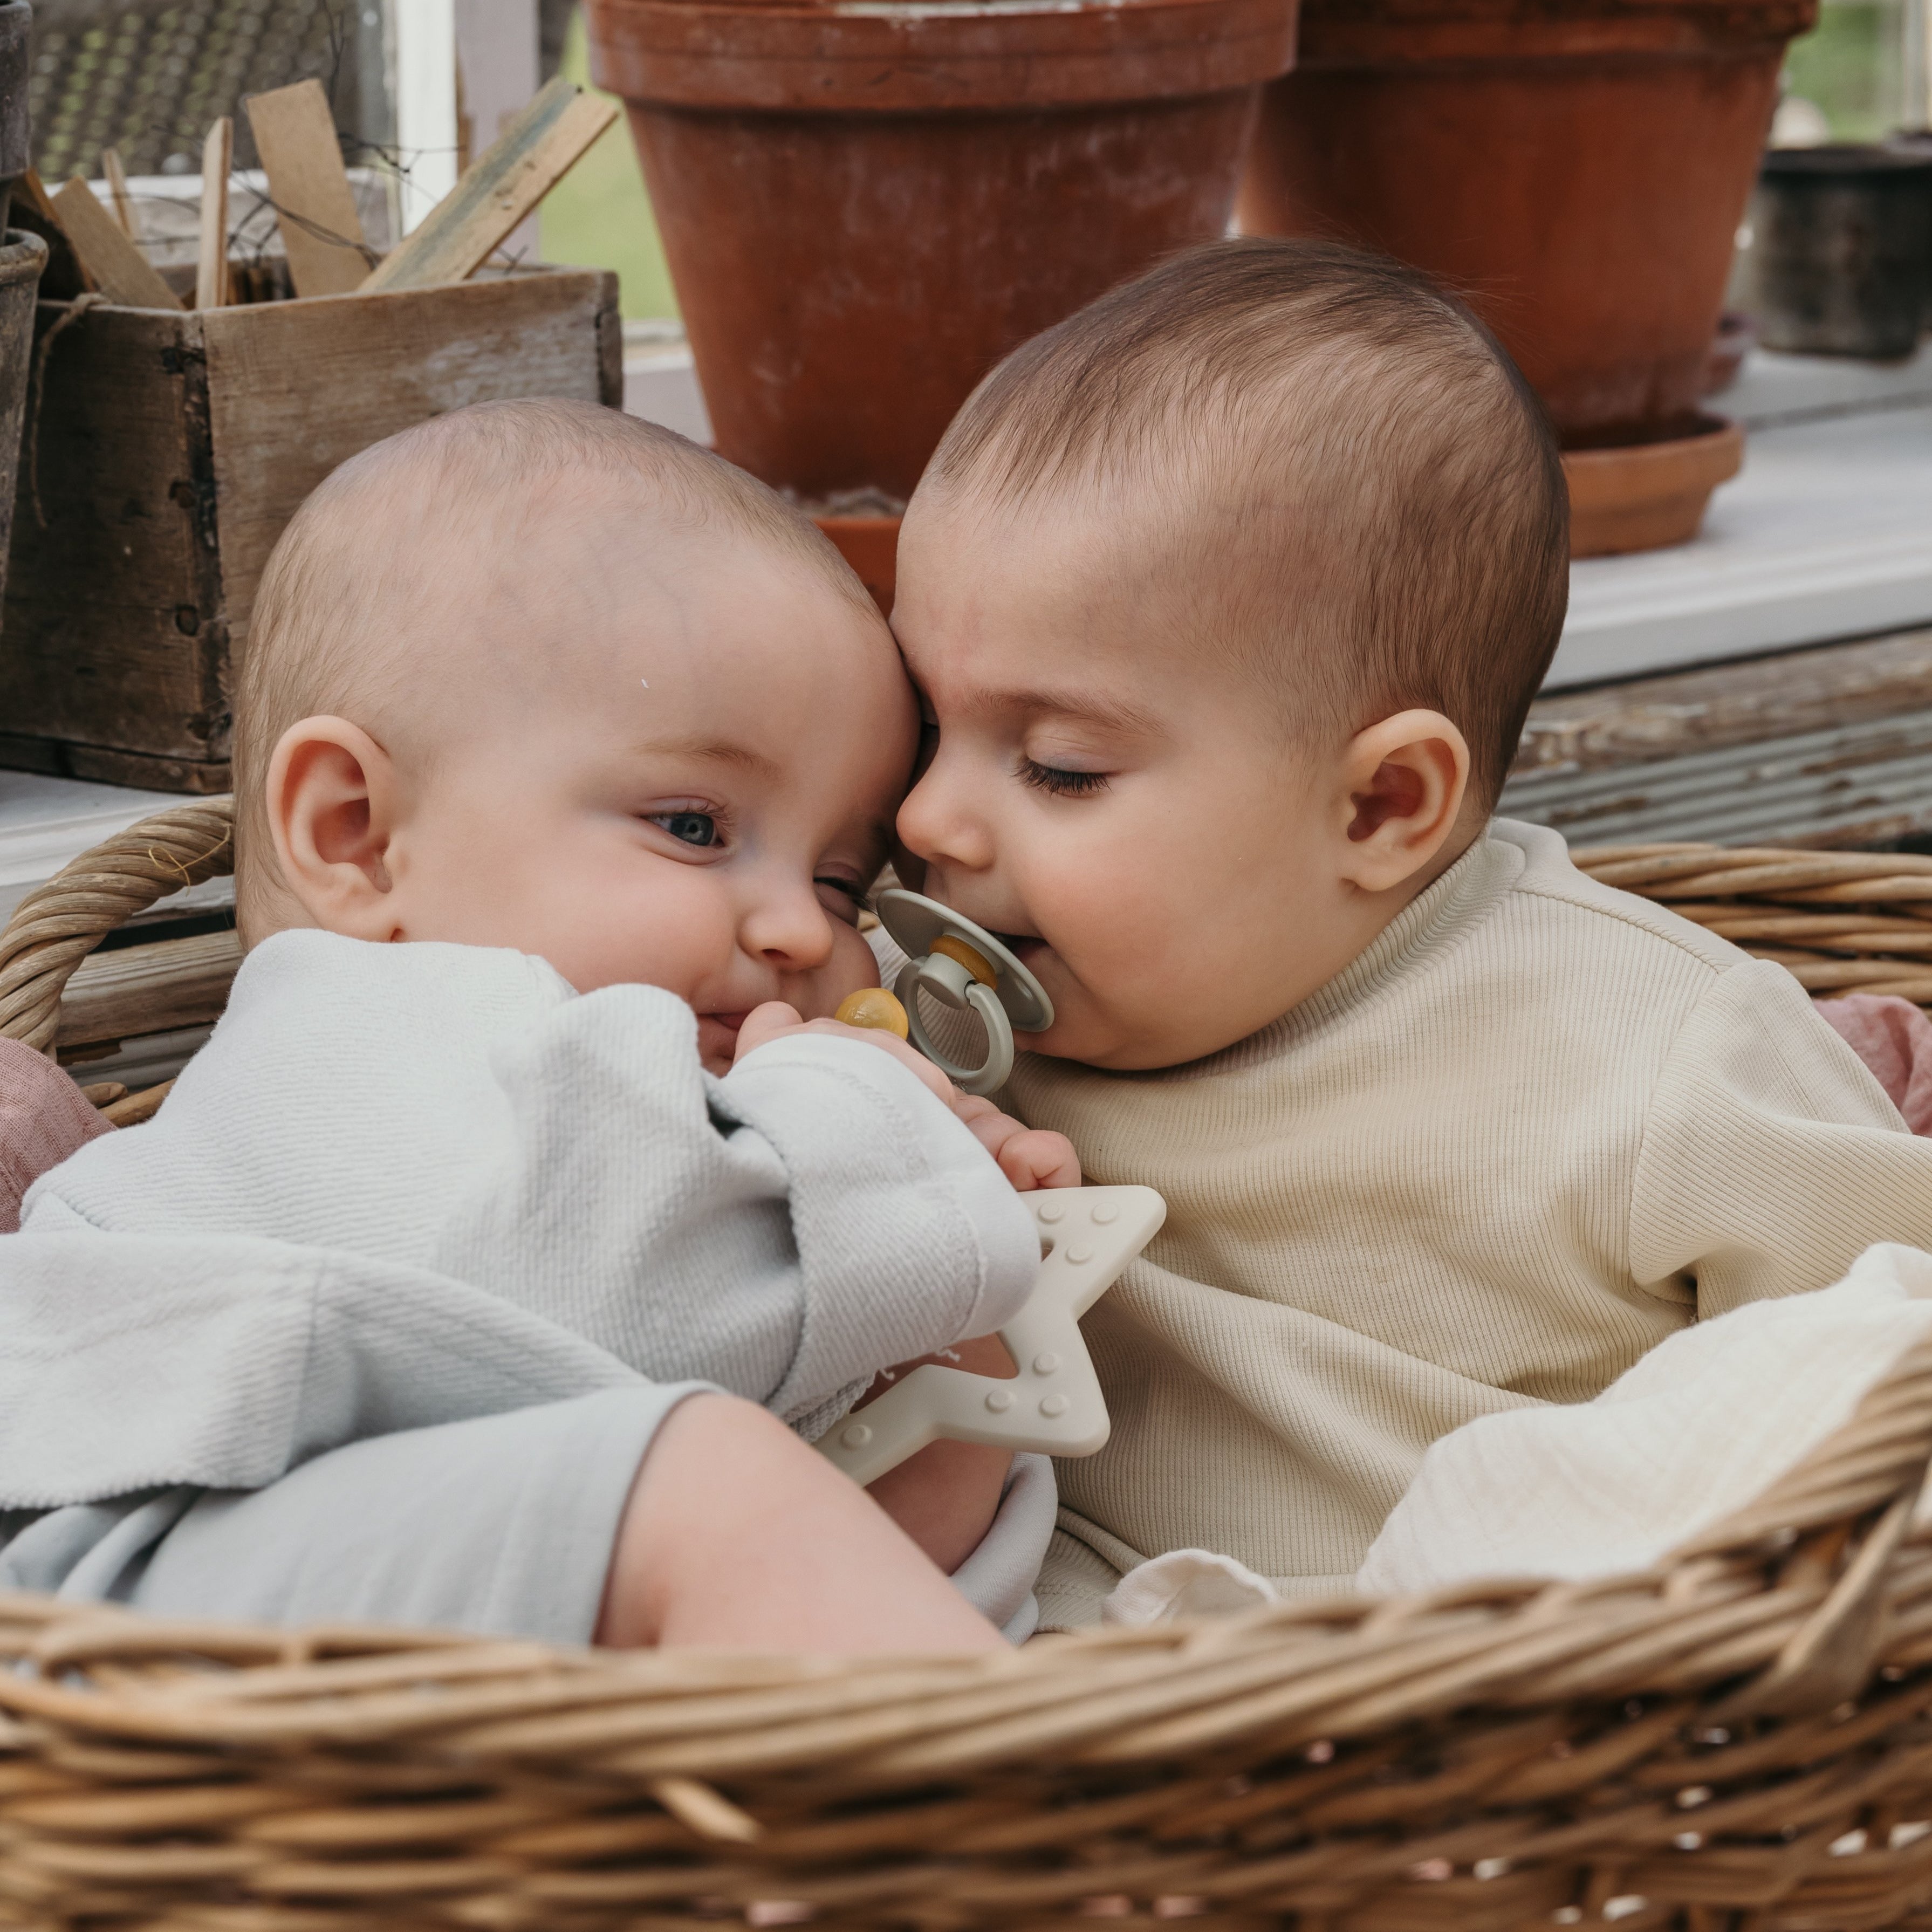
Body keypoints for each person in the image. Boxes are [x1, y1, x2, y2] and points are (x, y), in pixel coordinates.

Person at [882, 237, 1932, 1629]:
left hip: (1501, 1704)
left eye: (1059, 766)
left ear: (1380, 804)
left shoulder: (1647, 1048)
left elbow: (1876, 1361)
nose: (930, 816)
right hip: (1080, 1697)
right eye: (925, 723)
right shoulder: (944, 1028)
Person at [3, 398, 1076, 1653]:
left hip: (339, 1602)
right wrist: (869, 1137)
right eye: (692, 826)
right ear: (357, 835)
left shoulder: (586, 1123)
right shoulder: (382, 1030)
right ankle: (1038, 1837)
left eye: (840, 881)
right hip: (133, 1582)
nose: (798, 929)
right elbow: (627, 1311)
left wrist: (950, 1306)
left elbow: (809, 1489)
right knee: (706, 1486)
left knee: (798, 1483)